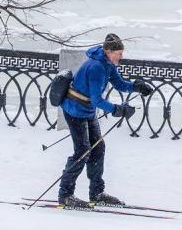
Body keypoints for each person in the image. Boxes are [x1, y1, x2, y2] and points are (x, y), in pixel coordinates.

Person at [57, 33, 154, 208]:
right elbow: (97, 100)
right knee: (82, 152)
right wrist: (117, 109)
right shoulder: (96, 67)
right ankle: (65, 195)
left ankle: (97, 193)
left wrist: (137, 86)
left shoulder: (107, 64)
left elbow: (120, 84)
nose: (121, 57)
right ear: (108, 51)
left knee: (98, 148)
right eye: (119, 53)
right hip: (75, 111)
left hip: (87, 111)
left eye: (122, 53)